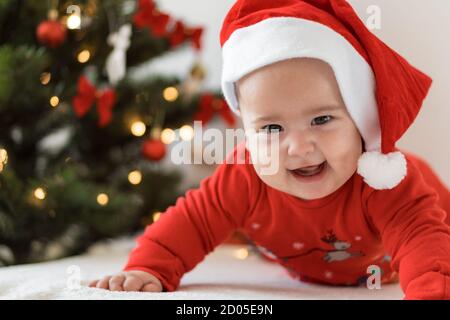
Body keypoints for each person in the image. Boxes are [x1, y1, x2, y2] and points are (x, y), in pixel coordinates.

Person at [89, 0, 450, 299]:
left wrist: (431, 290)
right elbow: (193, 223)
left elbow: (423, 240)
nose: (298, 147)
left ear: (360, 117)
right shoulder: (245, 176)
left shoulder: (384, 178)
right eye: (272, 128)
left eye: (322, 119)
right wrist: (147, 267)